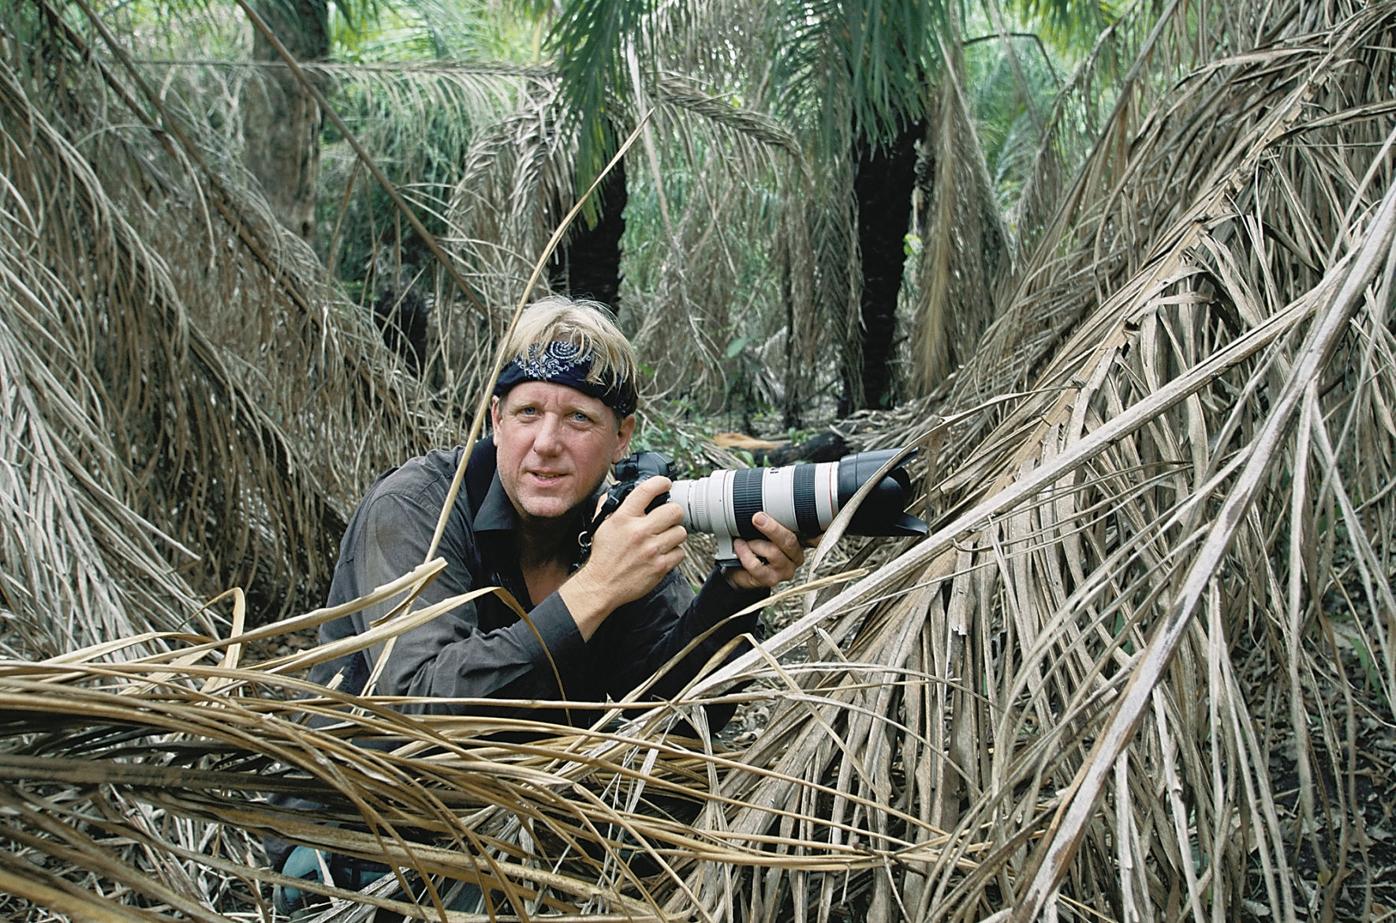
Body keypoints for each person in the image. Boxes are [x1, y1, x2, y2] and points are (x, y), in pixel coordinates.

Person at [268, 296, 806, 908]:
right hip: (361, 835)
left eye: (578, 418)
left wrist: (733, 593)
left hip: (521, 826)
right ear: (496, 420)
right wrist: (595, 589)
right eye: (527, 412)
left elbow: (668, 718)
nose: (546, 443)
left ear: (621, 436)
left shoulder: (618, 523)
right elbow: (422, 710)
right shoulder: (416, 507)